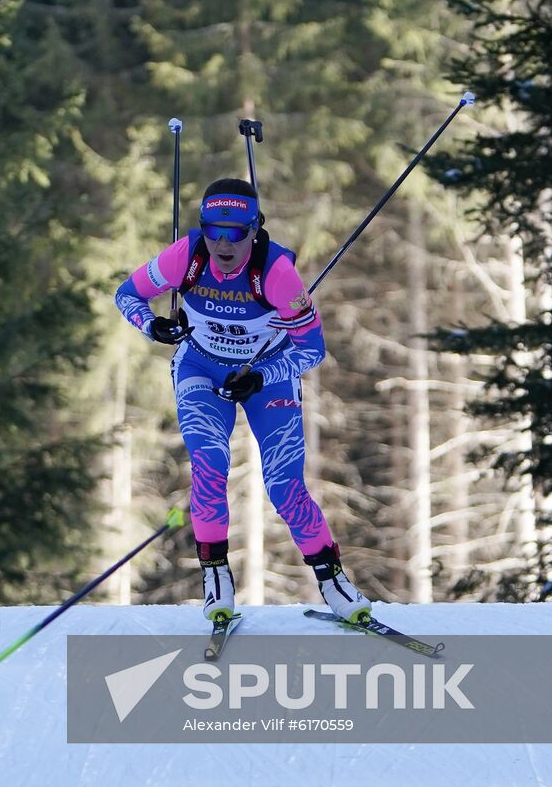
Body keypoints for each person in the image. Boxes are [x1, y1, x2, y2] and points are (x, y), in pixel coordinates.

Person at [113, 177, 371, 625]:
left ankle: (333, 580)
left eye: (236, 232)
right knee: (209, 465)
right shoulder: (185, 257)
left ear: (255, 229)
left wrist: (262, 377)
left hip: (265, 376)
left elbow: (312, 350)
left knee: (284, 486)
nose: (223, 243)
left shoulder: (277, 274)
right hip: (199, 368)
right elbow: (126, 294)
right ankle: (215, 577)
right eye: (213, 230)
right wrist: (152, 326)